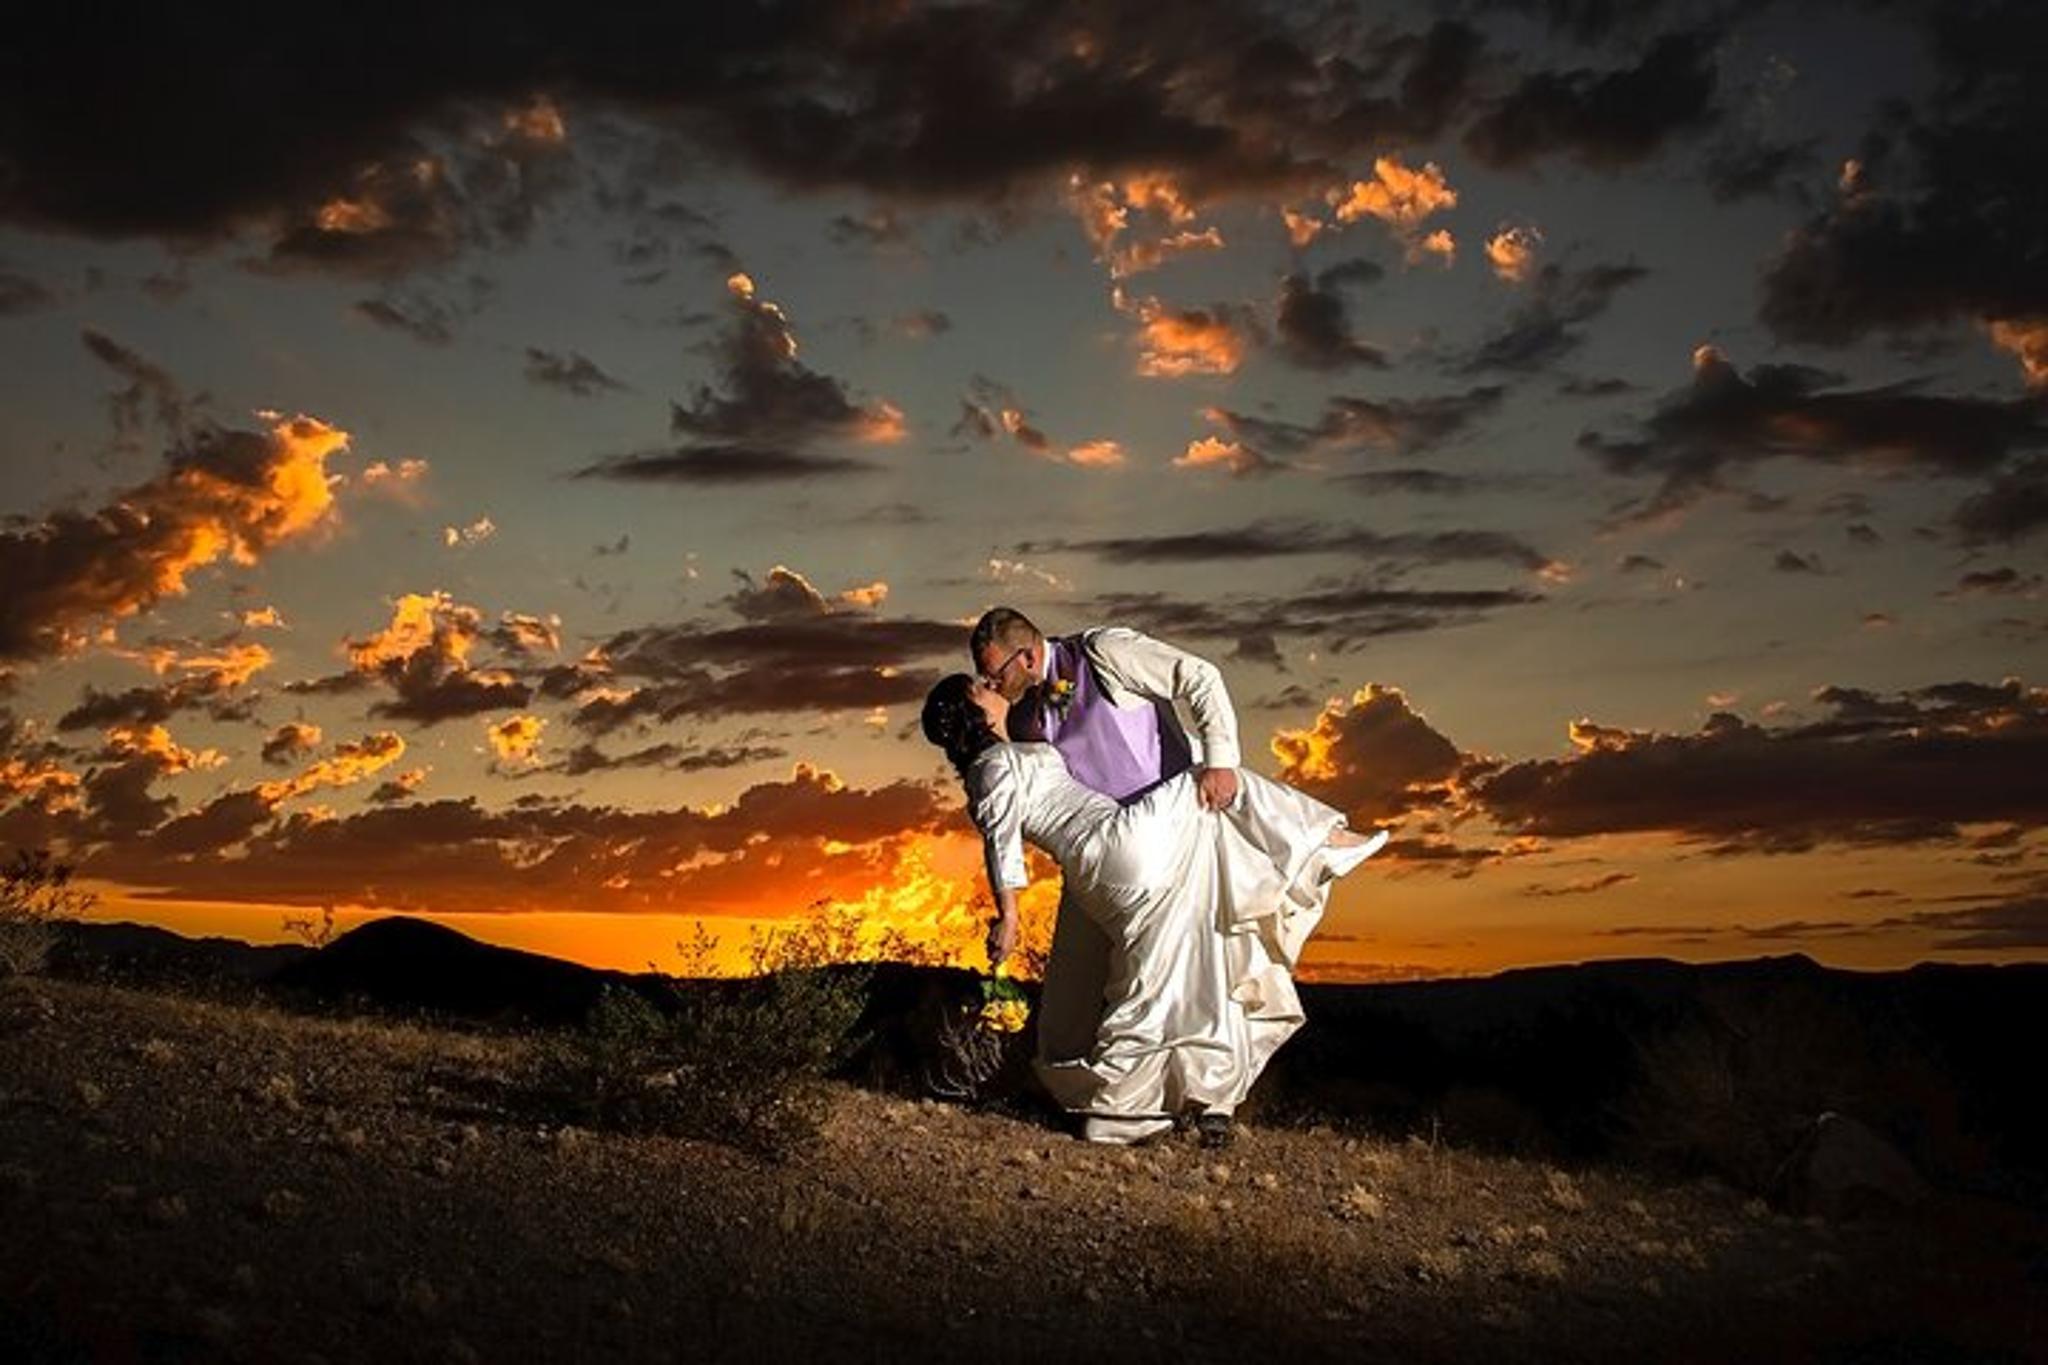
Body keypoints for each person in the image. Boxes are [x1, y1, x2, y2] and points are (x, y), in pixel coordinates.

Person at [920, 672, 1389, 1146]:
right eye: (978, 688)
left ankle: (1131, 1112)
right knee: (1207, 780)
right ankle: (1321, 838)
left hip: (1106, 865)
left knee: (1162, 972)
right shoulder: (991, 767)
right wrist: (1011, 915)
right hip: (1111, 843)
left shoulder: (1012, 749)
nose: (989, 685)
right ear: (970, 712)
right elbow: (1000, 844)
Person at [967, 607, 1243, 1141]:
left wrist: (1221, 759)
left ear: (1027, 655)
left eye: (995, 672)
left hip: (1173, 831)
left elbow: (1199, 676)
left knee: (1183, 971)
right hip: (1102, 855)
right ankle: (1065, 1091)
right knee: (1071, 983)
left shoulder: (1104, 653)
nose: (990, 682)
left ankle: (1209, 1102)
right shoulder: (1027, 718)